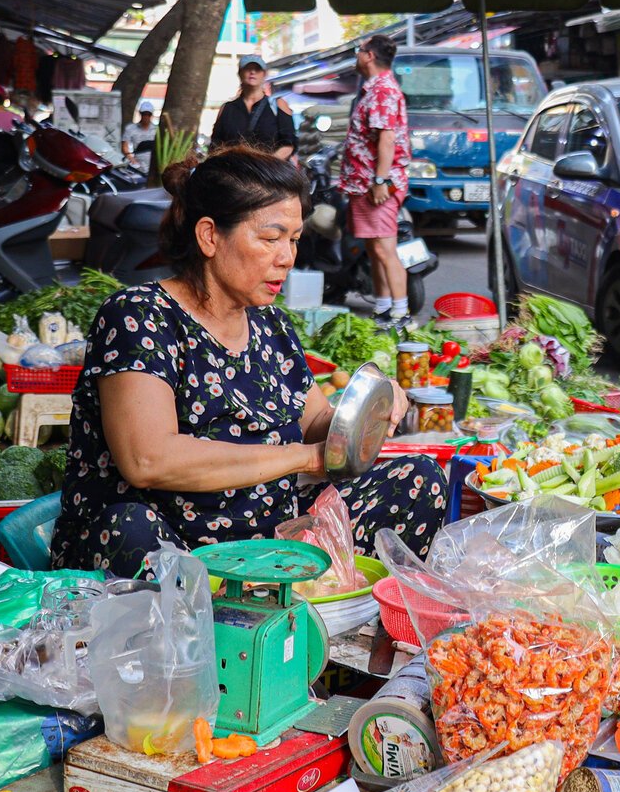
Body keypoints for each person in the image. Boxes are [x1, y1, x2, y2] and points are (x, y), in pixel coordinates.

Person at [49, 147, 447, 578]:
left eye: (294, 240)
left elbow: (319, 424)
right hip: (175, 549)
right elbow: (148, 460)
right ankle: (235, 621)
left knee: (418, 479)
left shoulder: (269, 324)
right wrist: (302, 458)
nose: (288, 258)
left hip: (271, 540)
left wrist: (371, 410)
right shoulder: (139, 316)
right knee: (129, 529)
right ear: (209, 236)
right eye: (271, 237)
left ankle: (290, 602)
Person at [342, 34, 411, 322]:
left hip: (377, 185)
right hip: (365, 184)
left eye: (360, 51)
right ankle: (383, 306)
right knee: (374, 247)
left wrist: (380, 181)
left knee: (384, 248)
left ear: (369, 56)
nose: (357, 55)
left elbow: (387, 139)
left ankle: (400, 313)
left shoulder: (382, 90)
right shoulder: (372, 89)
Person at [210, 55, 298, 159]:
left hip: (269, 171)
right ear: (239, 73)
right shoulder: (227, 108)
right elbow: (216, 146)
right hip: (234, 171)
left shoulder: (278, 104)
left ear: (264, 74)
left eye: (257, 69)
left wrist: (266, 164)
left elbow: (288, 144)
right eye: (248, 68)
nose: (252, 72)